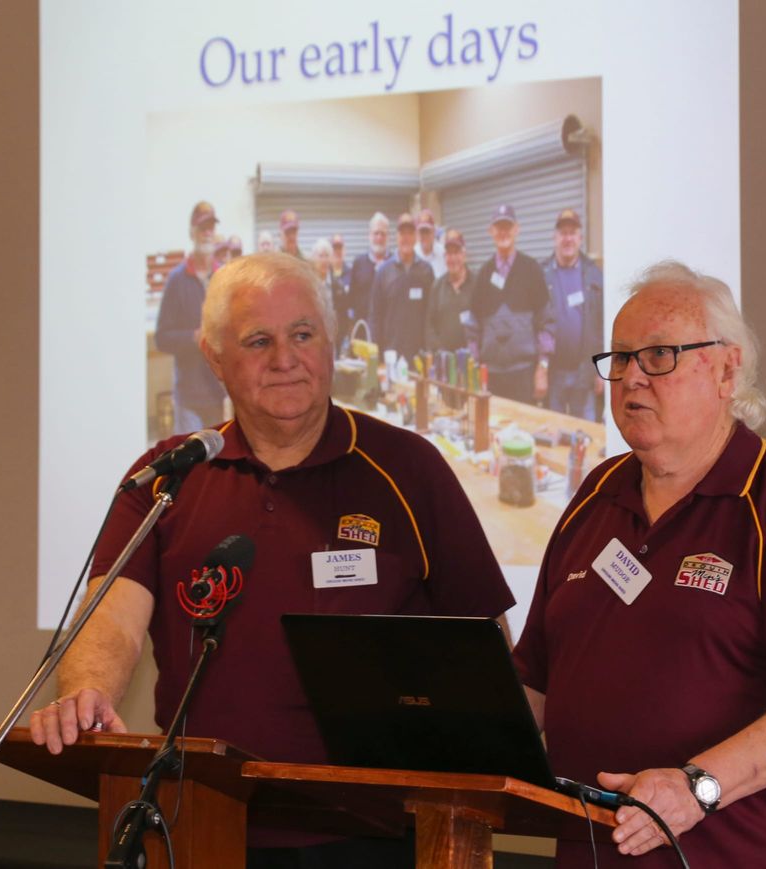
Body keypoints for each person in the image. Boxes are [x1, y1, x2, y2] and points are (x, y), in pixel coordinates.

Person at [30, 253, 514, 866]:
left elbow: (486, 648)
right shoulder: (169, 478)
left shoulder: (409, 469)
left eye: (303, 335)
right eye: (259, 341)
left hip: (369, 836)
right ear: (213, 358)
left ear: (332, 341)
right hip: (196, 822)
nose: (285, 359)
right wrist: (88, 691)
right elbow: (113, 617)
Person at [513, 261, 766, 867]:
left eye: (659, 356)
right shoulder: (597, 494)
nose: (632, 379)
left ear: (728, 370)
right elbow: (538, 679)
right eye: (621, 359)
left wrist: (695, 788)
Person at [154, 201, 227, 433]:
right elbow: (162, 338)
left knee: (217, 465)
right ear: (191, 233)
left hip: (218, 393)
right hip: (189, 397)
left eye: (211, 228)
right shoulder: (177, 280)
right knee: (191, 466)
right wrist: (193, 338)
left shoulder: (224, 277)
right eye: (202, 228)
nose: (207, 233)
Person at [469, 204, 555, 404]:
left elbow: (547, 322)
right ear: (491, 232)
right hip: (490, 377)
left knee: (524, 434)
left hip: (523, 374)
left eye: (508, 226)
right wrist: (474, 370)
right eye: (498, 227)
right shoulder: (483, 273)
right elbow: (472, 328)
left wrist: (542, 368)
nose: (503, 232)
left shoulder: (532, 269)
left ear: (517, 229)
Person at [542, 208, 604, 420]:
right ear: (554, 238)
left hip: (584, 373)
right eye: (562, 233)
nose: (567, 239)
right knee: (553, 430)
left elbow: (601, 326)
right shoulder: (541, 274)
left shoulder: (595, 275)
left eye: (572, 233)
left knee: (585, 435)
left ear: (580, 238)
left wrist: (600, 370)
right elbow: (536, 323)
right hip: (553, 372)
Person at [369, 212, 435, 362]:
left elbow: (431, 315)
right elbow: (375, 316)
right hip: (391, 354)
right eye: (402, 233)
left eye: (410, 233)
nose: (406, 238)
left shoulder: (426, 271)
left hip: (419, 356)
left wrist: (429, 349)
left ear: (416, 237)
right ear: (396, 237)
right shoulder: (384, 272)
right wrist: (375, 353)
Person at [425, 228, 474, 353]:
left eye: (456, 252)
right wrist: (440, 352)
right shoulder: (437, 287)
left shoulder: (477, 284)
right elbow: (429, 326)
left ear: (464, 255)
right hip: (444, 362)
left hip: (472, 361)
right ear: (444, 256)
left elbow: (485, 323)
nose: (452, 259)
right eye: (449, 253)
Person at [347, 211, 389, 339]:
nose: (379, 237)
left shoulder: (394, 264)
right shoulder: (358, 263)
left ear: (388, 237)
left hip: (388, 335)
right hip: (362, 334)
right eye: (376, 233)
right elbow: (351, 301)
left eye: (383, 234)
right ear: (369, 235)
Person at [309, 237, 351, 351]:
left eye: (327, 255)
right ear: (313, 259)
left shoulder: (338, 287)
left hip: (333, 345)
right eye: (320, 256)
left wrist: (339, 340)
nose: (324, 260)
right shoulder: (308, 286)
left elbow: (344, 319)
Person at [414, 207, 446, 278]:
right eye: (422, 232)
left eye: (427, 231)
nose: (425, 236)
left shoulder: (443, 253)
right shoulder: (413, 254)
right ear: (417, 233)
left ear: (434, 231)